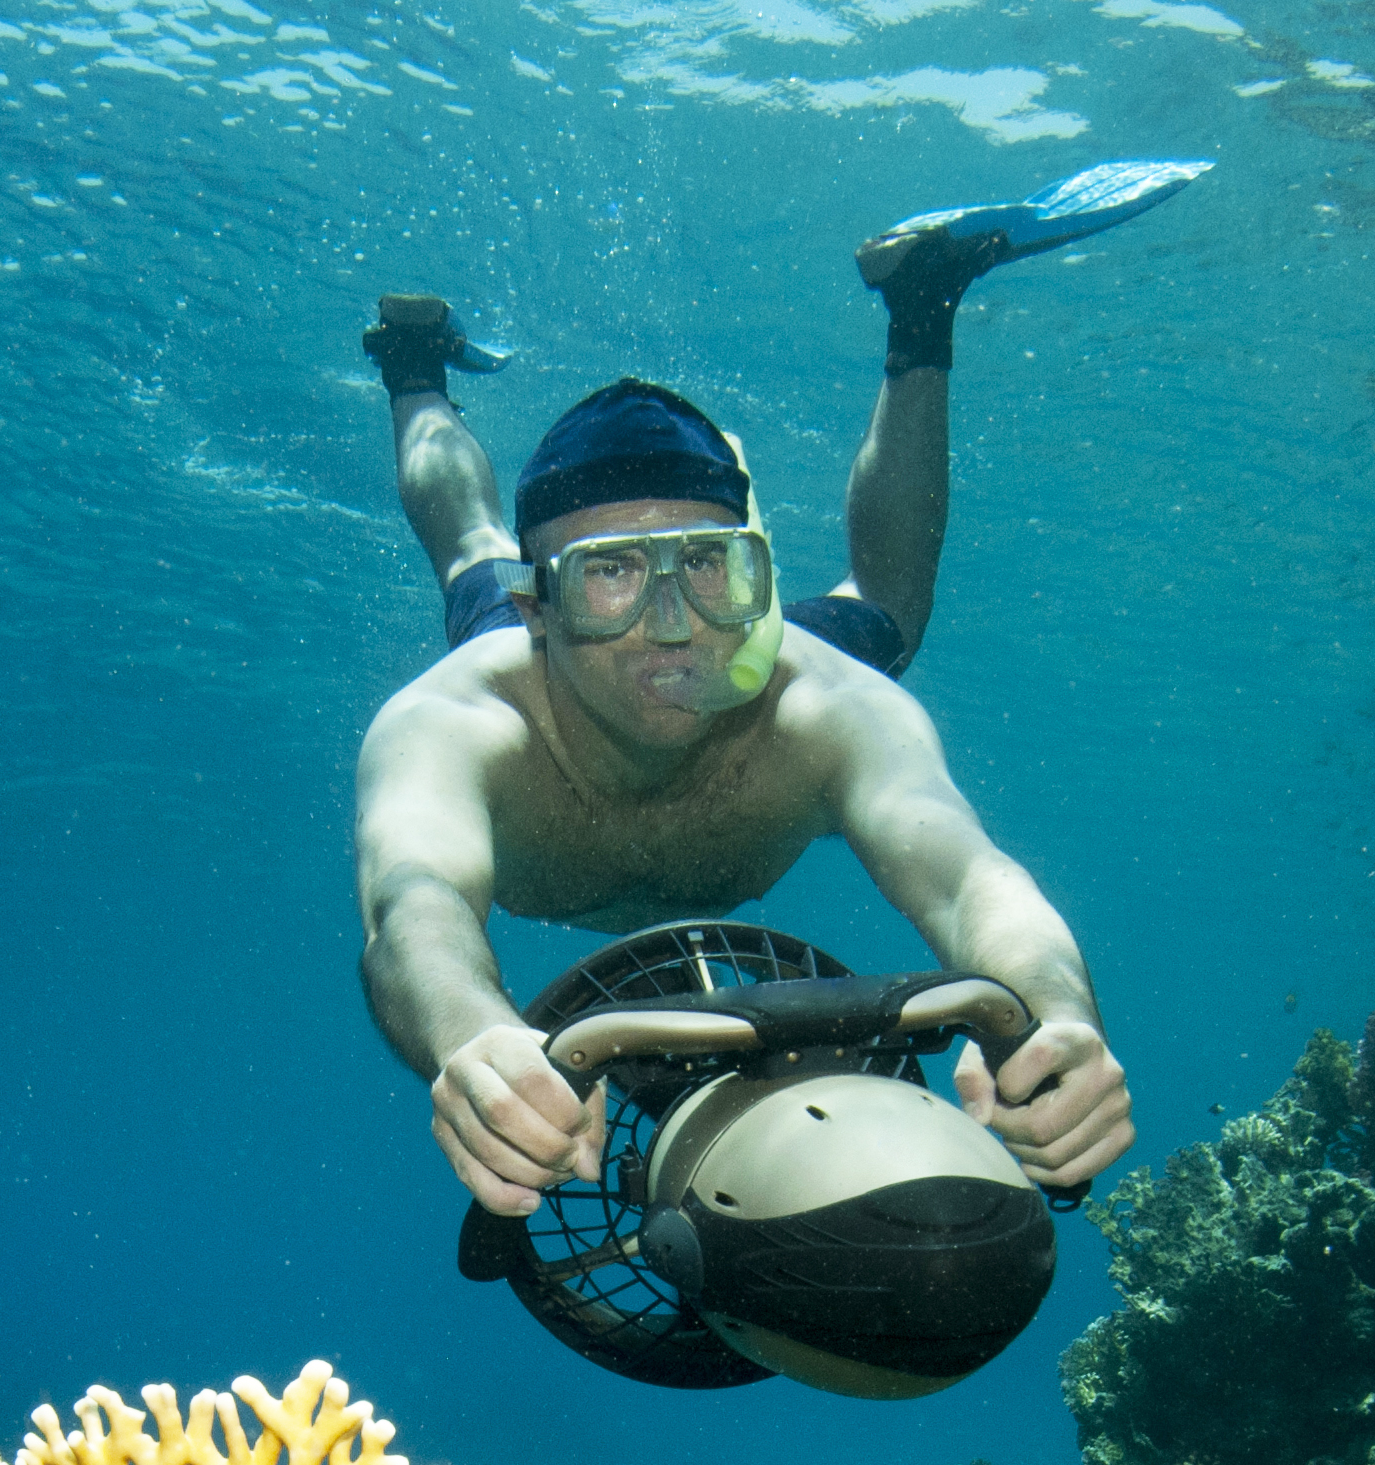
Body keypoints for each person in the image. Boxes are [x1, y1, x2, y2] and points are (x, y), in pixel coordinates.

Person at [353, 163, 1200, 1220]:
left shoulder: (823, 707)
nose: (670, 625)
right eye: (609, 573)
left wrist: (1058, 1019)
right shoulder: (455, 721)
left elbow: (975, 880)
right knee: (471, 548)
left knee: (886, 615)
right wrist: (468, 1035)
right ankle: (413, 370)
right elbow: (411, 912)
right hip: (518, 644)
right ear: (542, 607)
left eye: (708, 566)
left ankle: (922, 303)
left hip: (755, 665)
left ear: (756, 572)